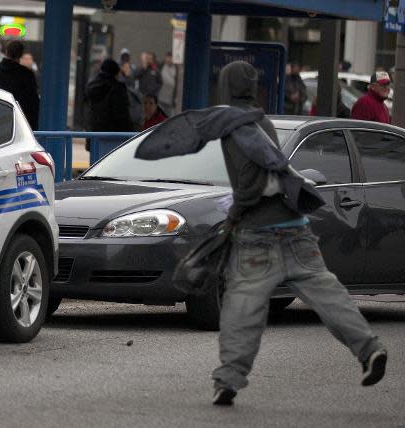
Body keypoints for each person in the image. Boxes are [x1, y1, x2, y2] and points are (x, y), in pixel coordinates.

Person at [210, 61, 387, 405]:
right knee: (328, 294)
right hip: (296, 228)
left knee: (242, 308)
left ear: (226, 87)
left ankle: (228, 379)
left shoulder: (232, 126)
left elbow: (250, 184)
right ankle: (369, 349)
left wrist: (234, 212)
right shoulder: (261, 120)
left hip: (259, 233)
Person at [0, 40, 39, 130]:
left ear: (6, 52)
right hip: (22, 125)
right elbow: (33, 103)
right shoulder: (27, 75)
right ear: (21, 55)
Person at [84, 58, 134, 135]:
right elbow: (122, 114)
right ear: (116, 73)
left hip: (93, 136)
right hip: (113, 137)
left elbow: (86, 112)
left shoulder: (90, 87)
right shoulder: (117, 88)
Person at [158, 52, 177, 116]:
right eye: (167, 58)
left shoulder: (176, 68)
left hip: (171, 98)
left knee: (169, 116)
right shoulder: (161, 66)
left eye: (170, 58)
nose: (168, 60)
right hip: (161, 97)